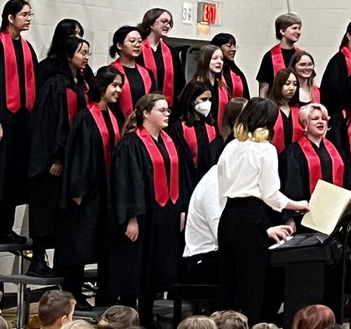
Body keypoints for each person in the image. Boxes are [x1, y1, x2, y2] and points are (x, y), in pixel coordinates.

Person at [217, 98, 308, 323]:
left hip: (228, 215)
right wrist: (299, 205)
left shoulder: (230, 146)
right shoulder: (265, 150)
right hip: (251, 215)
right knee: (251, 287)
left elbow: (221, 182)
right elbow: (271, 195)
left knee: (229, 282)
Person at [109, 93, 190, 327]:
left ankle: (146, 315)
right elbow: (126, 183)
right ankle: (129, 320)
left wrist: (182, 209)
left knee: (155, 271)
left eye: (168, 110)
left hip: (166, 215)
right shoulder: (131, 143)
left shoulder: (170, 141)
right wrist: (131, 218)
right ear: (146, 113)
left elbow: (182, 177)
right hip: (143, 216)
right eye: (161, 110)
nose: (167, 114)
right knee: (135, 270)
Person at [58, 65, 124, 302]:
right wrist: (78, 190)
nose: (118, 90)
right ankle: (73, 294)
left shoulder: (114, 116)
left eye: (120, 86)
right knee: (79, 243)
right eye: (114, 85)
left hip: (106, 190)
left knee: (103, 243)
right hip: (86, 193)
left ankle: (105, 294)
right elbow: (78, 155)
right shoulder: (86, 116)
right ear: (102, 86)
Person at [27, 35, 90, 275]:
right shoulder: (55, 84)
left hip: (72, 160)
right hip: (52, 161)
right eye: (82, 52)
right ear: (68, 55)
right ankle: (38, 259)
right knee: (45, 209)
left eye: (87, 53)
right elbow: (49, 125)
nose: (85, 57)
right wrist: (56, 157)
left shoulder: (81, 84)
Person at [183, 99, 252, 286]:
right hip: (204, 257)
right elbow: (220, 232)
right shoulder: (215, 180)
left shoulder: (233, 180)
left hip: (218, 251)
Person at [0, 0, 39, 241]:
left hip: (22, 119)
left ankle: (6, 227)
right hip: (4, 117)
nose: (29, 19)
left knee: (15, 173)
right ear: (10, 18)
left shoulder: (26, 47)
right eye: (24, 14)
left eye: (30, 14)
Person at [281, 103, 345, 200]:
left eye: (324, 118)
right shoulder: (293, 152)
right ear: (305, 123)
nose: (321, 122)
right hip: (307, 208)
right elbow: (292, 186)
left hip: (334, 205)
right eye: (315, 119)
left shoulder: (335, 148)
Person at [170, 80, 222, 182]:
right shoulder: (178, 127)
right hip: (187, 180)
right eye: (204, 99)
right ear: (192, 100)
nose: (208, 103)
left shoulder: (211, 126)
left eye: (210, 99)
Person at [137, 8, 181, 105]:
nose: (168, 26)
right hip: (142, 106)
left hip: (168, 109)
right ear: (150, 23)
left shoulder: (172, 52)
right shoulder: (137, 51)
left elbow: (180, 82)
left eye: (170, 23)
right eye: (164, 22)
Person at [109, 27, 152, 121]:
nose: (137, 45)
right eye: (132, 41)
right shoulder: (110, 72)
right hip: (118, 124)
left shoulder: (147, 73)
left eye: (140, 42)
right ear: (119, 45)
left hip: (143, 125)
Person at [257, 14, 303, 98]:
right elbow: (264, 88)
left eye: (299, 28)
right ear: (282, 31)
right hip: (276, 104)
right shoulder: (270, 56)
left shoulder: (302, 55)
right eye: (294, 28)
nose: (298, 31)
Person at [192, 44, 231, 129]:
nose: (219, 62)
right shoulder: (196, 85)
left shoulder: (222, 86)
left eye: (221, 59)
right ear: (205, 60)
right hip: (201, 129)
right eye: (215, 58)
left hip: (220, 131)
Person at [266, 69, 302, 154]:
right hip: (273, 157)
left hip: (295, 160)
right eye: (287, 83)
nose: (292, 88)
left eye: (295, 84)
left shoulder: (299, 111)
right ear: (279, 85)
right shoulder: (268, 110)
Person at [211, 33, 249, 100]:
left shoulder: (237, 73)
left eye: (234, 46)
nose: (234, 49)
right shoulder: (209, 73)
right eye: (229, 46)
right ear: (218, 47)